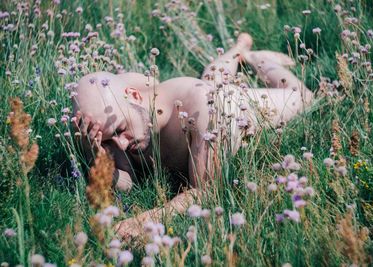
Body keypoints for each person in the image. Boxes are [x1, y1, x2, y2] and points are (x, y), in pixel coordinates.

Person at [71, 33, 313, 240]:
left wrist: (145, 220)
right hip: (203, 89)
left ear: (134, 95)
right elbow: (129, 183)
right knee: (213, 78)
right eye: (110, 140)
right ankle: (239, 49)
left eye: (120, 132)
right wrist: (97, 156)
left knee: (303, 98)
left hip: (234, 107)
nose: (121, 143)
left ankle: (259, 58)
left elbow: (207, 190)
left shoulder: (203, 108)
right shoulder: (115, 121)